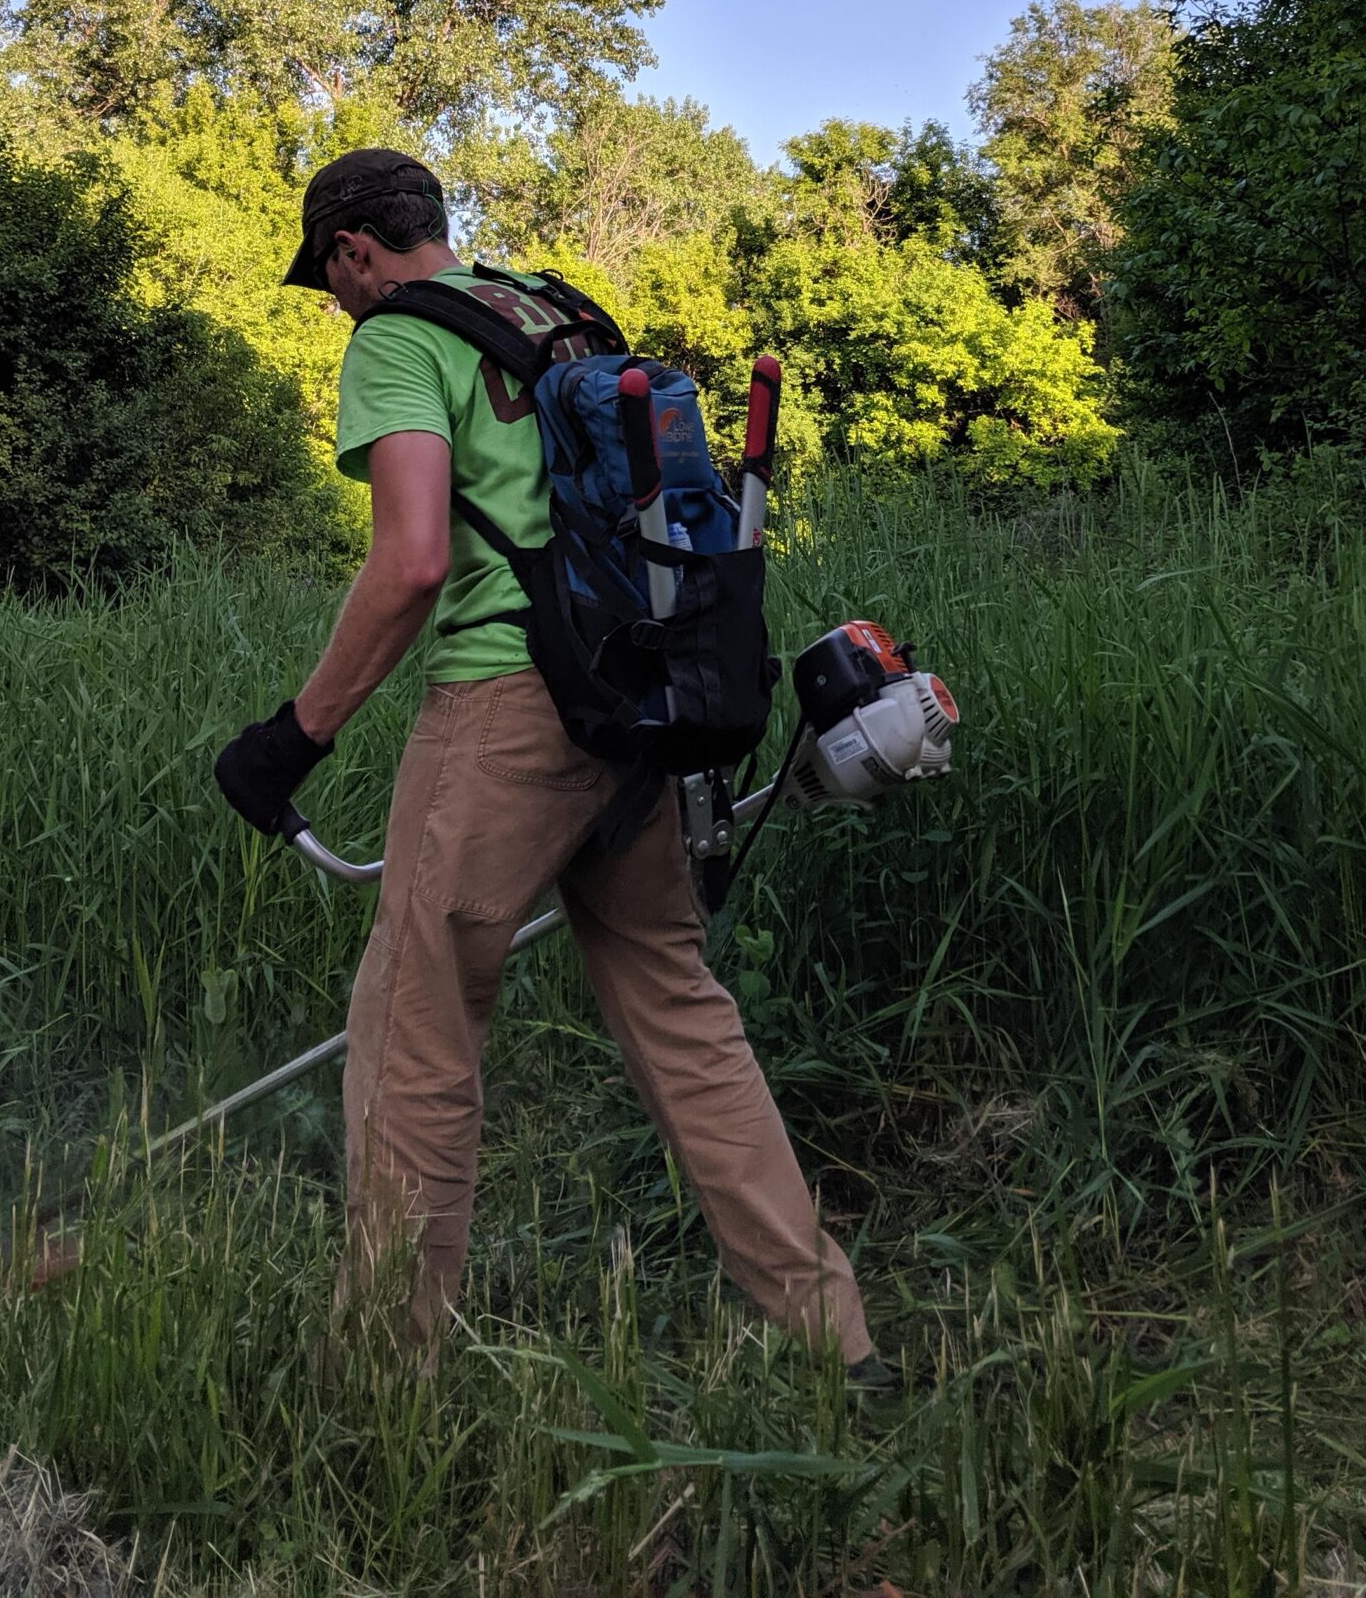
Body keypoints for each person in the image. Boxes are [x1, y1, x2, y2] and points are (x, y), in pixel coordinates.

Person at [212, 147, 876, 1373]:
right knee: (684, 1015)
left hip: (506, 713)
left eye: (331, 279)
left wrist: (293, 736)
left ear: (356, 250)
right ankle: (834, 1335)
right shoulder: (561, 313)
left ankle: (382, 1377)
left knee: (415, 1028)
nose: (337, 303)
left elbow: (413, 562)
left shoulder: (401, 343)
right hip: (640, 703)